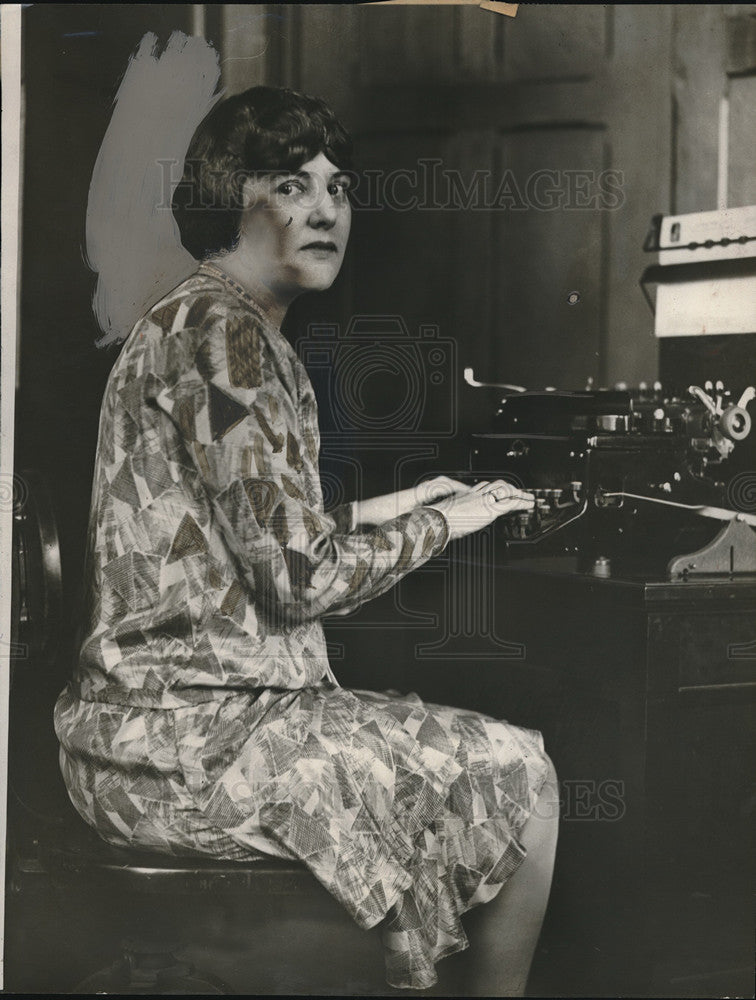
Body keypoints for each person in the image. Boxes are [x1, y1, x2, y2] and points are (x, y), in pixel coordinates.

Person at [54, 85, 558, 995]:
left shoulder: (210, 319)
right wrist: (451, 522)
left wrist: (403, 500)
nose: (327, 209)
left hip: (167, 723)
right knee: (526, 768)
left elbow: (246, 529)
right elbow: (295, 580)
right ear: (227, 195)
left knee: (481, 765)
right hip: (182, 749)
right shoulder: (228, 338)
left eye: (340, 186)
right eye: (292, 183)